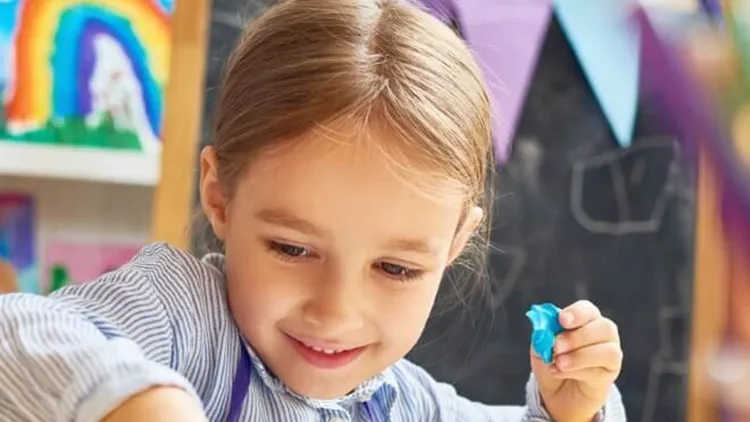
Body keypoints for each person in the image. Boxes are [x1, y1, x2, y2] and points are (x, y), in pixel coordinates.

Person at [0, 0, 626, 421]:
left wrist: (570, 410)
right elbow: (19, 332)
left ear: (457, 239)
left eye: (397, 269)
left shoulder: (404, 402)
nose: (335, 312)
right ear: (219, 196)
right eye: (293, 249)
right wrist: (135, 399)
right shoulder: (186, 316)